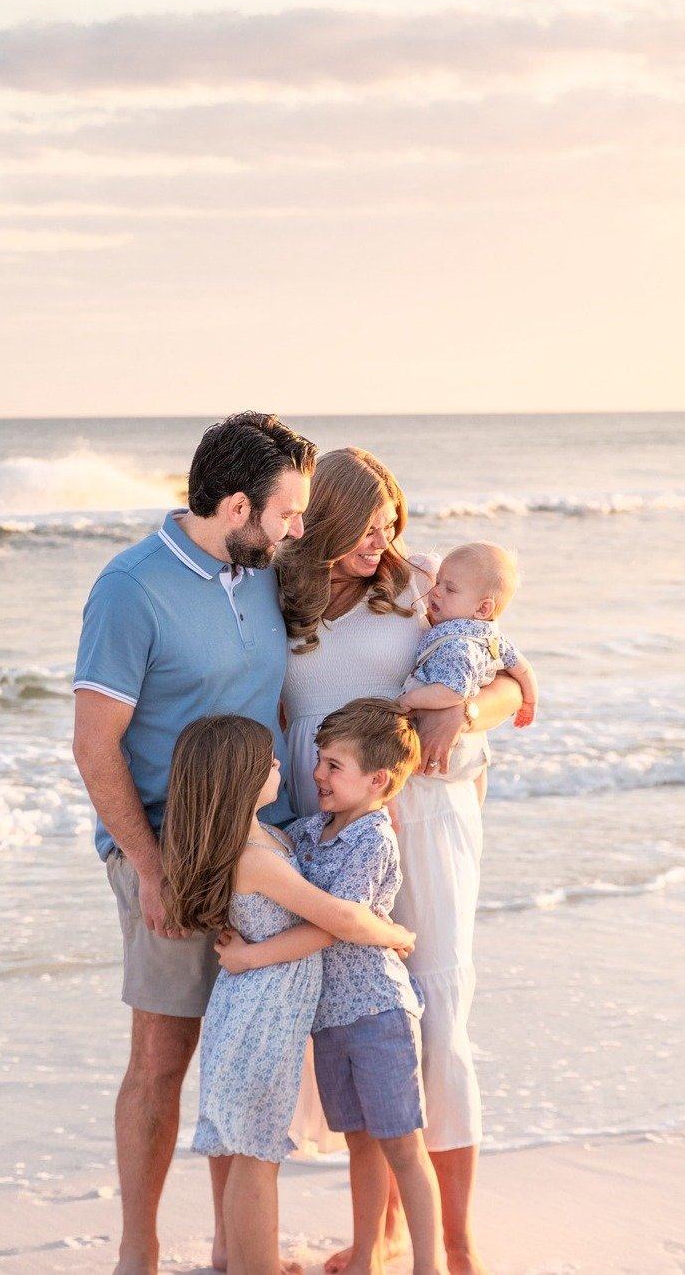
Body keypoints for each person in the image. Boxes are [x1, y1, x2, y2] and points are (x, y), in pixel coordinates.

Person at [72, 411, 316, 1275]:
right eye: (287, 513)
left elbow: (383, 568)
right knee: (163, 1052)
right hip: (167, 850)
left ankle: (233, 1251)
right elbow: (93, 745)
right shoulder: (129, 587)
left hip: (261, 845)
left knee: (244, 1049)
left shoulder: (258, 570)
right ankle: (137, 1251)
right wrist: (147, 866)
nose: (296, 530)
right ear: (237, 503)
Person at [275, 448, 522, 1275]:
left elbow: (513, 677)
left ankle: (454, 1238)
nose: (382, 543)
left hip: (424, 818)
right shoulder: (278, 595)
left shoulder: (417, 585)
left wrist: (467, 715)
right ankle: (375, 1234)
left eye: (391, 525)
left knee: (437, 1015)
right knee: (358, 1020)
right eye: (366, 527)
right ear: (322, 520)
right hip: (332, 834)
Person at [163, 713, 416, 1275]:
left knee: (247, 1141)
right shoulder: (256, 858)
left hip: (257, 1003)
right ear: (242, 779)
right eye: (268, 760)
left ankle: (238, 1255)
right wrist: (397, 934)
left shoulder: (269, 838)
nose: (283, 764)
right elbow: (337, 919)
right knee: (256, 1150)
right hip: (262, 1011)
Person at [220, 699, 445, 1275]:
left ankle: (431, 1264)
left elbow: (328, 927)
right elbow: (263, 849)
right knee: (361, 1144)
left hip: (376, 1012)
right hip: (329, 1018)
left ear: (377, 781)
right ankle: (367, 1255)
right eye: (320, 761)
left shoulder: (372, 841)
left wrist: (252, 958)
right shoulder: (311, 831)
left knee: (401, 1144)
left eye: (333, 766)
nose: (317, 775)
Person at [396, 541, 538, 808]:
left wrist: (409, 701)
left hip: (442, 739)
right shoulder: (492, 636)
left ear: (483, 609)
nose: (435, 592)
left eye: (449, 589)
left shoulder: (456, 643)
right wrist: (530, 703)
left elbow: (453, 692)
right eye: (438, 582)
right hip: (470, 745)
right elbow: (523, 668)